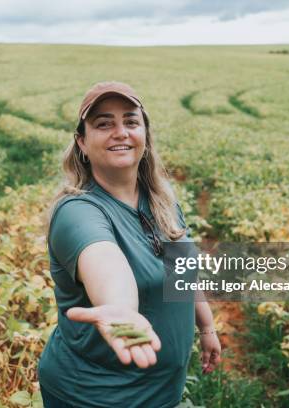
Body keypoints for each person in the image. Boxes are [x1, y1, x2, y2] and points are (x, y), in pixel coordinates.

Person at [37, 82, 221, 408]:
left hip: (158, 391)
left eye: (131, 122)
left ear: (145, 136)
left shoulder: (162, 199)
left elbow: (182, 268)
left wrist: (206, 326)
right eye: (104, 124)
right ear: (81, 141)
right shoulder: (76, 212)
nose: (120, 132)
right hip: (96, 396)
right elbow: (105, 264)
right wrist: (120, 310)